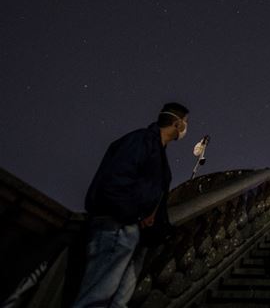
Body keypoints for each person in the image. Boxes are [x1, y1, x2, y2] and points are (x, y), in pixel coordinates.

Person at [72, 103, 189, 308]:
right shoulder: (141, 141)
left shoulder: (158, 152)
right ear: (177, 123)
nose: (186, 128)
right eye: (186, 123)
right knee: (96, 299)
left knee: (117, 302)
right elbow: (115, 182)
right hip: (117, 227)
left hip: (134, 235)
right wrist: (135, 215)